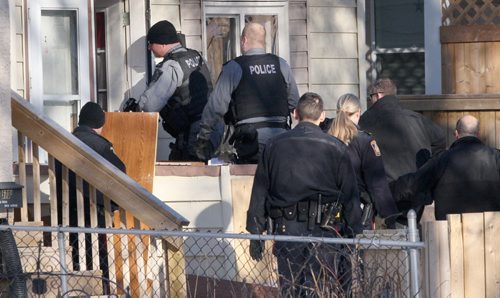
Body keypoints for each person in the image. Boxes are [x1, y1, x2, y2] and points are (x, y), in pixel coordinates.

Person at [246, 92, 362, 296]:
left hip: (287, 229)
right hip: (326, 231)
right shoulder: (336, 148)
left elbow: (260, 191)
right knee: (320, 288)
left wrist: (256, 232)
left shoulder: (274, 146)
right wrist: (353, 234)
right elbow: (350, 194)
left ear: (296, 113)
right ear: (323, 116)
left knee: (291, 288)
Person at [195, 22, 300, 164]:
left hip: (250, 142)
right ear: (264, 41)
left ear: (244, 40)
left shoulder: (234, 67)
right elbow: (295, 103)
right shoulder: (281, 64)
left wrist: (203, 138)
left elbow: (215, 107)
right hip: (281, 138)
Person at [122, 20, 219, 161]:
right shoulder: (197, 57)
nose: (149, 48)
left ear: (162, 43)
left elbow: (150, 105)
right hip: (213, 128)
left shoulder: (171, 66)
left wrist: (135, 110)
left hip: (195, 133)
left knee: (185, 176)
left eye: (151, 43)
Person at [56, 102, 125, 293]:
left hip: (67, 215)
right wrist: (114, 204)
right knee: (100, 264)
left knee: (74, 264)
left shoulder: (63, 142)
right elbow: (121, 176)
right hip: (96, 216)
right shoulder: (101, 146)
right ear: (99, 123)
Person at [359, 78, 446, 222]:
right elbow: (440, 139)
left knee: (388, 239)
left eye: (371, 97)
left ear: (379, 95)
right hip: (416, 188)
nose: (370, 101)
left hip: (383, 193)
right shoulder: (417, 118)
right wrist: (426, 168)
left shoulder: (364, 121)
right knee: (412, 235)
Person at [394, 115, 500, 220]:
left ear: (456, 133)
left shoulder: (442, 159)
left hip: (451, 231)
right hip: (490, 229)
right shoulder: (496, 157)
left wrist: (386, 192)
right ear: (478, 134)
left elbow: (413, 184)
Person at [328, 94, 399, 229]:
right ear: (359, 113)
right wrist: (390, 216)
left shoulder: (325, 139)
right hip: (357, 212)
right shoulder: (364, 141)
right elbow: (377, 183)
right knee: (357, 247)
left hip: (329, 212)